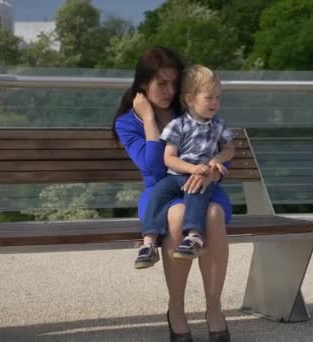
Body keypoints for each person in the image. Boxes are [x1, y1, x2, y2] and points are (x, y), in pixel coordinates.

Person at [113, 47, 231, 342]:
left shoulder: (187, 107)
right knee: (177, 217)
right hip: (161, 194)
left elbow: (219, 149)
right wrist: (150, 121)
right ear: (143, 84)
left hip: (204, 187)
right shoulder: (128, 122)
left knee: (214, 215)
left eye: (173, 83)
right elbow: (153, 170)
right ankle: (176, 310)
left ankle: (214, 308)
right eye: (161, 84)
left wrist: (214, 172)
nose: (169, 91)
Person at [137, 64, 235, 268]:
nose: (215, 103)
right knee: (158, 195)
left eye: (218, 97)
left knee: (196, 190)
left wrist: (217, 159)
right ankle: (149, 243)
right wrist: (191, 168)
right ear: (190, 99)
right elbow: (169, 158)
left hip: (200, 178)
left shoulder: (218, 125)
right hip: (177, 174)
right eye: (209, 97)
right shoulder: (178, 125)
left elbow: (230, 149)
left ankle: (193, 237)